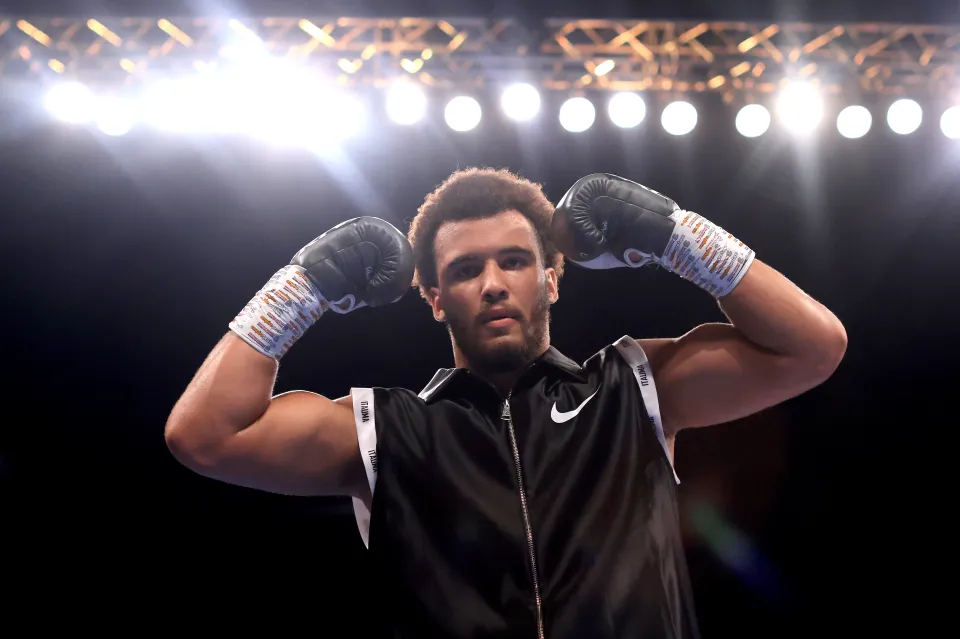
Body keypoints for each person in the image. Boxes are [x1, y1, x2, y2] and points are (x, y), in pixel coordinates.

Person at [165, 169, 847, 638]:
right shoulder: (385, 428)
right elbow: (205, 435)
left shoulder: (634, 385)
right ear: (434, 298)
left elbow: (812, 346)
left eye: (515, 260)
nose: (492, 283)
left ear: (553, 278)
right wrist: (302, 286)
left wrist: (675, 235)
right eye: (464, 270)